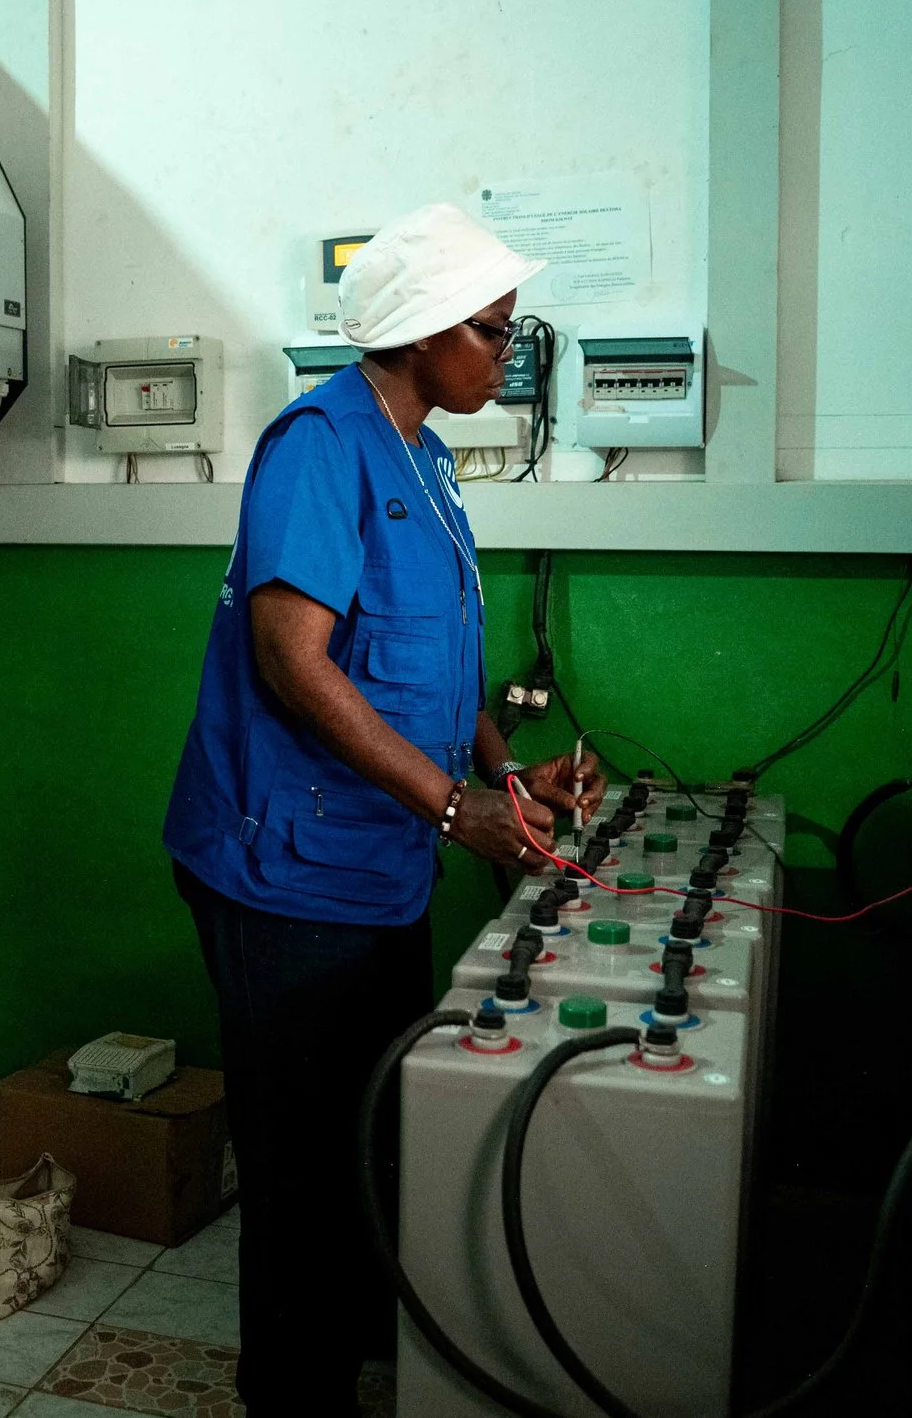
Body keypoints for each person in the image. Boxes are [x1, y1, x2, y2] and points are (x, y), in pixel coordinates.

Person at [163, 202, 607, 1413]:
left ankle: (358, 1353)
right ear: (417, 333)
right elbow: (290, 659)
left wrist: (506, 774)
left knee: (369, 1129)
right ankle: (292, 1396)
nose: (504, 356)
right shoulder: (318, 445)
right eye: (488, 333)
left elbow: (433, 657)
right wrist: (455, 809)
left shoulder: (423, 453)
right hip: (286, 870)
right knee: (302, 1166)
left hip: (376, 861)